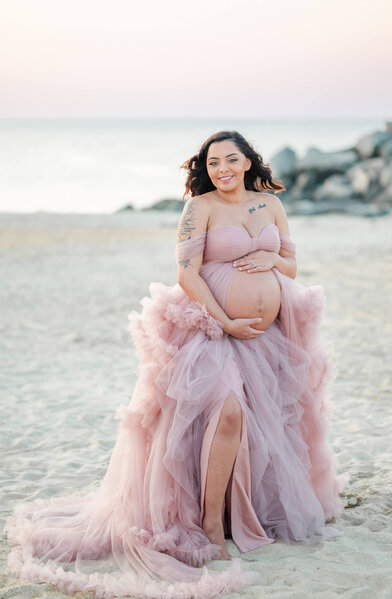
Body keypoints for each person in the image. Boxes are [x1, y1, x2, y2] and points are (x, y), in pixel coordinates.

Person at [4, 130, 348, 599]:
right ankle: (208, 523)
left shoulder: (269, 204)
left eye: (231, 160)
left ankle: (234, 512)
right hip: (209, 328)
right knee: (227, 412)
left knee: (260, 424)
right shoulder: (199, 208)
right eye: (212, 164)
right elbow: (187, 275)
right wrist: (224, 319)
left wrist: (271, 255)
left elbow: (290, 267)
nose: (222, 169)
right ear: (204, 170)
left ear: (248, 162)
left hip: (266, 336)